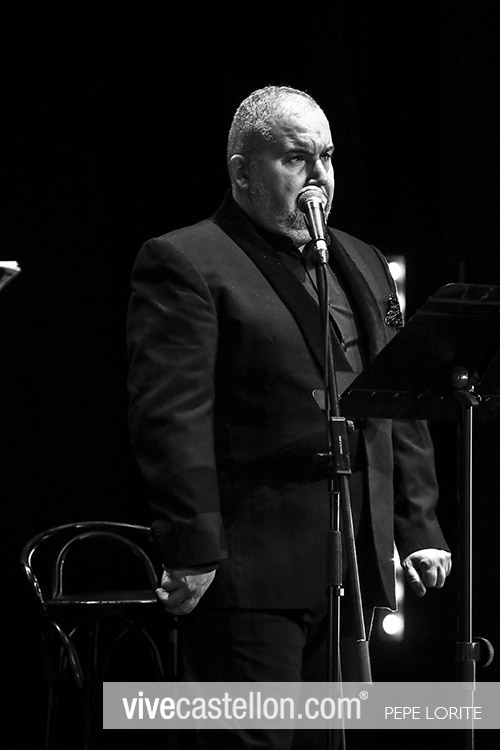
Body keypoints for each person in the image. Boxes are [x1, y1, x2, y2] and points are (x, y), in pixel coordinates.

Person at [126, 84, 452, 749]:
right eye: (296, 158)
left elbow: (397, 399)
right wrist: (192, 547)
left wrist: (417, 525)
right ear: (243, 172)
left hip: (351, 565)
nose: (318, 177)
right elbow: (172, 419)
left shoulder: (362, 260)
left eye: (326, 157)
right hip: (252, 570)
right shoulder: (187, 260)